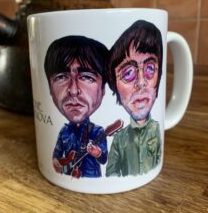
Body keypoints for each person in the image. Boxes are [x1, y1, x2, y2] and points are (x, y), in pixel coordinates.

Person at [44, 35, 108, 178]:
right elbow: (57, 153)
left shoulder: (98, 132)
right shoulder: (64, 131)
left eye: (87, 77)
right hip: (67, 176)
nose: (73, 90)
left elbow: (103, 159)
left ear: (103, 89)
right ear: (49, 87)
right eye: (61, 77)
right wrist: (56, 161)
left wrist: (97, 152)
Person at [105, 20, 163, 177]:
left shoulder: (158, 129)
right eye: (128, 73)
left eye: (150, 68)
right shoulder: (119, 139)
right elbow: (111, 173)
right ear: (114, 85)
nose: (141, 82)